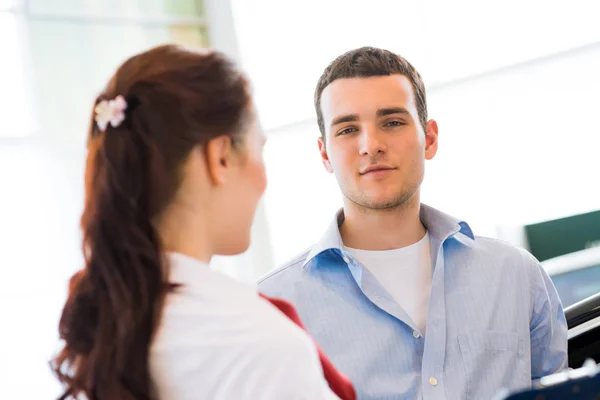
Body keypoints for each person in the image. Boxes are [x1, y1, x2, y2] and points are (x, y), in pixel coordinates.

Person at [258, 46, 568, 400]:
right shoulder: (274, 308)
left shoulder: (516, 276)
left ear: (430, 138)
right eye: (347, 129)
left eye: (392, 122)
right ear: (325, 153)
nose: (371, 145)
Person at [51, 44, 355, 400]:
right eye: (259, 147)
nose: (264, 177)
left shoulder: (102, 328)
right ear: (221, 157)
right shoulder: (260, 344)